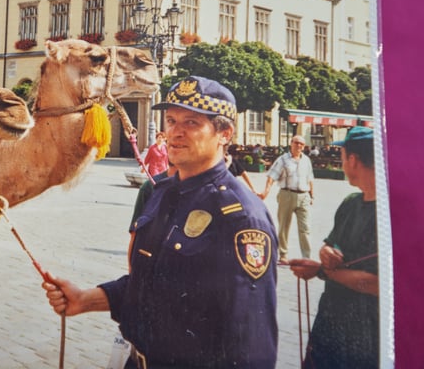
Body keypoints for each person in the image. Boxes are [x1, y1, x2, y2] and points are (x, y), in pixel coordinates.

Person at [43, 76, 278, 368]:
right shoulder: (162, 192)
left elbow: (252, 343)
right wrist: (85, 299)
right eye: (171, 120)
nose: (175, 133)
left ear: (225, 133)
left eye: (191, 123)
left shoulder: (241, 216)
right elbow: (150, 283)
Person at [288, 126, 378, 368]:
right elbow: (330, 244)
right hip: (330, 325)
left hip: (366, 336)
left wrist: (323, 271)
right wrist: (325, 255)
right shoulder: (351, 203)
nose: (341, 162)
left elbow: (377, 284)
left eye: (342, 156)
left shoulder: (389, 214)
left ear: (353, 159)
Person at [259, 135, 314, 263]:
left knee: (305, 228)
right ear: (291, 143)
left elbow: (310, 178)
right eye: (296, 143)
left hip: (304, 195)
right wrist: (266, 191)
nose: (299, 146)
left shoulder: (306, 160)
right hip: (286, 195)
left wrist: (312, 195)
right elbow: (272, 176)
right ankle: (283, 255)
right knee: (284, 226)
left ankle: (307, 257)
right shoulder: (283, 160)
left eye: (301, 144)